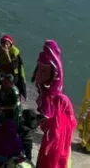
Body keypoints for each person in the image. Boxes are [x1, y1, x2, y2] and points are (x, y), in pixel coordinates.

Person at [34, 40, 78, 168]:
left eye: (43, 71)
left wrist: (46, 123)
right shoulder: (50, 96)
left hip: (56, 145)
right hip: (53, 142)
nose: (39, 75)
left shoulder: (59, 99)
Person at [0, 35, 27, 99]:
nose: (5, 45)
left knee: (13, 93)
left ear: (10, 45)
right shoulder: (0, 52)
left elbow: (13, 66)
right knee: (3, 90)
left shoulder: (14, 53)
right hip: (4, 74)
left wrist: (7, 54)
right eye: (3, 43)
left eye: (7, 44)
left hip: (13, 77)